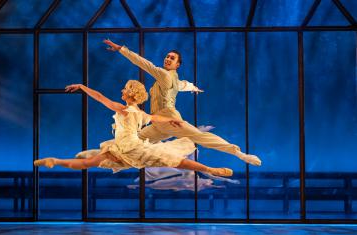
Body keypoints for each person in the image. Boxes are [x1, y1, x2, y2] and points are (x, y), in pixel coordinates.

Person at [102, 39, 261, 166]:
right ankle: (106, 159)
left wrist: (121, 49)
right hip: (158, 123)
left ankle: (239, 153)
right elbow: (182, 85)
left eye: (172, 58)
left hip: (170, 119)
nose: (168, 58)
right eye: (167, 56)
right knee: (132, 141)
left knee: (200, 136)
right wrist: (194, 87)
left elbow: (143, 63)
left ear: (177, 65)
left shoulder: (164, 75)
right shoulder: (172, 78)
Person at [34, 80, 233, 176]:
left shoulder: (125, 110)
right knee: (175, 161)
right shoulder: (139, 113)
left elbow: (100, 97)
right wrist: (169, 121)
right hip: (123, 148)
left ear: (130, 94)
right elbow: (155, 117)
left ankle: (57, 161)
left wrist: (82, 87)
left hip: (127, 147)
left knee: (174, 160)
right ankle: (54, 160)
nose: (121, 91)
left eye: (124, 89)